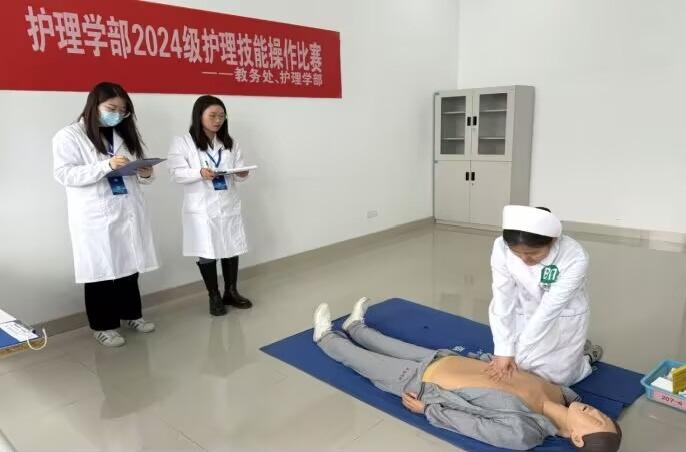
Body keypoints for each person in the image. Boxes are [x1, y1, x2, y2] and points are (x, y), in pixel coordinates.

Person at [313, 298, 621, 451]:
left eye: (595, 421)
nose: (594, 411)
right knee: (386, 343)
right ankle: (356, 327)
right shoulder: (563, 392)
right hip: (444, 359)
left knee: (359, 359)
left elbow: (474, 426)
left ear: (577, 438)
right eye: (602, 414)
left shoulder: (525, 432)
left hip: (422, 383)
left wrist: (428, 410)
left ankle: (325, 337)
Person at [53, 81, 158, 347]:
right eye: (112, 108)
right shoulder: (69, 135)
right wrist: (105, 166)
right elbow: (64, 174)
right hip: (95, 216)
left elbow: (137, 172)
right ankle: (103, 326)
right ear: (94, 105)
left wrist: (145, 172)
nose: (117, 115)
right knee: (100, 270)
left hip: (127, 209)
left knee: (129, 265)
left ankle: (131, 314)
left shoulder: (122, 135)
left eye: (123, 111)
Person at [487, 205, 602, 386]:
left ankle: (585, 358)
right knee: (517, 367)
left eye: (533, 253)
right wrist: (504, 349)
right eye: (517, 253)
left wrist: (519, 353)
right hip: (523, 306)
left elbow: (550, 308)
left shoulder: (574, 256)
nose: (525, 259)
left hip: (560, 314)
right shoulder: (501, 247)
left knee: (558, 379)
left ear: (553, 241)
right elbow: (503, 296)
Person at [167, 95, 253, 316]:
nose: (217, 120)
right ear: (199, 116)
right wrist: (199, 172)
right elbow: (176, 173)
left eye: (222, 116)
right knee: (207, 250)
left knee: (231, 247)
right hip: (202, 208)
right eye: (212, 115)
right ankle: (214, 296)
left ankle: (231, 292)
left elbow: (239, 169)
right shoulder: (183, 142)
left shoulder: (229, 142)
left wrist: (242, 173)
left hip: (227, 203)